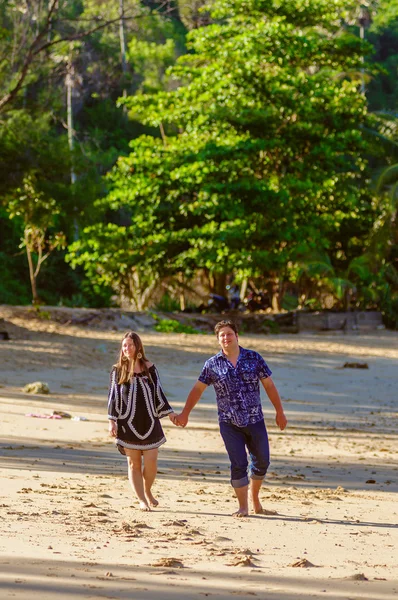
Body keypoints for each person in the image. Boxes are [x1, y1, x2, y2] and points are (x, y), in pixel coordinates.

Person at [173, 319, 287, 517]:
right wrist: (185, 413)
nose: (226, 338)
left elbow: (269, 385)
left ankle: (256, 500)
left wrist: (279, 412)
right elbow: (197, 390)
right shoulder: (212, 365)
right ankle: (243, 507)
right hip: (228, 422)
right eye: (222, 335)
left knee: (262, 461)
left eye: (229, 334)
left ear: (236, 336)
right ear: (218, 340)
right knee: (238, 464)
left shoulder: (254, 358)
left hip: (255, 419)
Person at [107, 331, 176, 511]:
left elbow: (159, 392)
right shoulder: (117, 370)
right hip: (127, 422)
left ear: (138, 347)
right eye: (124, 346)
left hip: (150, 421)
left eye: (130, 345)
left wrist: (170, 413)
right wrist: (112, 421)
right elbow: (113, 396)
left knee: (151, 462)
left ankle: (147, 490)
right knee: (133, 463)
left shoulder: (149, 368)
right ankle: (142, 500)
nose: (127, 349)